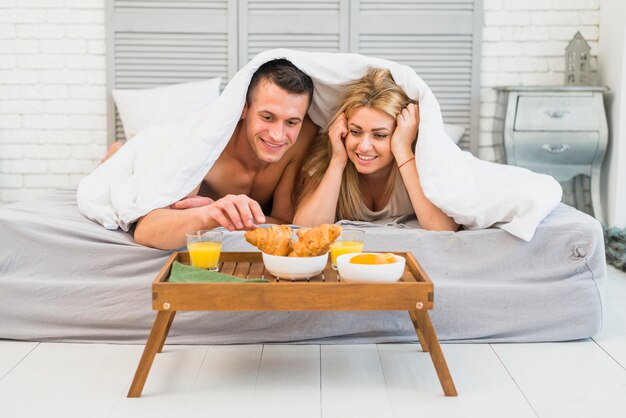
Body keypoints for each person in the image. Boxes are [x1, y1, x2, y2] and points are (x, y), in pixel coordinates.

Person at [133, 59, 318, 249]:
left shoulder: (303, 137)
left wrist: (224, 213)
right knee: (139, 147)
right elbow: (146, 229)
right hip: (162, 142)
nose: (278, 135)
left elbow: (286, 223)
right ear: (244, 109)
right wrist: (211, 214)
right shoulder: (208, 142)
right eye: (267, 117)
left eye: (292, 122)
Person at [293, 68, 458, 231]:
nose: (364, 146)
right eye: (356, 132)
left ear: (402, 132)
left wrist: (402, 149)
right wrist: (338, 160)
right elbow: (304, 229)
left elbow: (442, 227)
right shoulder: (326, 161)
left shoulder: (421, 162)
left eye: (380, 135)